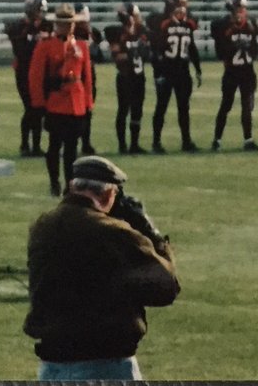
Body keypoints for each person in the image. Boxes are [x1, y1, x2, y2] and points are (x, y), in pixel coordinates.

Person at [24, 155, 180, 381]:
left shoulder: (43, 226)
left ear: (71, 186)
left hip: (52, 363)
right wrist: (149, 232)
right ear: (109, 193)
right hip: (104, 362)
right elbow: (166, 286)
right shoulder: (113, 232)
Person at [30, 4, 94, 196]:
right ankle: (54, 181)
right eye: (63, 24)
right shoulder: (46, 46)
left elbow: (87, 77)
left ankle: (70, 183)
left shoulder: (81, 46)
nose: (67, 27)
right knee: (54, 145)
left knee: (72, 149)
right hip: (56, 102)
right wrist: (39, 104)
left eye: (71, 24)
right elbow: (36, 76)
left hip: (76, 102)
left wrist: (88, 102)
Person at [146, 0, 203, 154]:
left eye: (183, 5)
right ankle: (156, 142)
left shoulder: (187, 23)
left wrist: (197, 69)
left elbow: (191, 46)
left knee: (184, 108)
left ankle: (186, 141)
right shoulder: (160, 22)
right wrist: (158, 73)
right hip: (166, 70)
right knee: (161, 107)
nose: (181, 8)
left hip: (183, 70)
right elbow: (155, 49)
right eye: (178, 5)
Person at [210, 0, 258, 151]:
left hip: (247, 71)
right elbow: (220, 53)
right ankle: (217, 140)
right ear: (231, 10)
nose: (241, 11)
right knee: (226, 105)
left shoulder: (250, 24)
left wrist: (248, 47)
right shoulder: (222, 26)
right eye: (238, 8)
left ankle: (248, 139)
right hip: (231, 71)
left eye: (243, 8)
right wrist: (234, 46)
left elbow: (256, 50)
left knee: (247, 106)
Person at [7, 0, 50, 156]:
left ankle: (36, 145)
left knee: (38, 108)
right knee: (30, 108)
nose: (41, 14)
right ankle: (25, 144)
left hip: (41, 73)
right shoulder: (19, 27)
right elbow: (20, 49)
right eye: (39, 11)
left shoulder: (47, 26)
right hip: (24, 72)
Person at [104, 3, 150, 155]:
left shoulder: (141, 31)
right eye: (135, 15)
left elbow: (145, 51)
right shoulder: (116, 32)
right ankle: (122, 145)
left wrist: (132, 52)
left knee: (137, 111)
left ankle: (134, 144)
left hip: (139, 76)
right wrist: (133, 52)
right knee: (124, 110)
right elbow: (118, 56)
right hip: (125, 76)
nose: (138, 17)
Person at [73, 3, 104, 155]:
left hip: (88, 74)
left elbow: (99, 56)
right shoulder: (71, 33)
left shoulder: (92, 33)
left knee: (88, 110)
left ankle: (86, 142)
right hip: (75, 75)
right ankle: (74, 141)